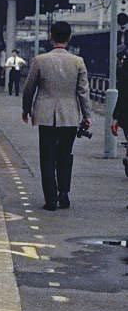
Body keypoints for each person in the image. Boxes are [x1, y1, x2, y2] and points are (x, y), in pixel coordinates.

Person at [21, 21, 91, 211]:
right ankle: (64, 193)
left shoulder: (40, 60)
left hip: (45, 116)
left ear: (51, 37)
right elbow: (83, 91)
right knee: (65, 156)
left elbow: (29, 88)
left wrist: (26, 109)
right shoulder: (78, 62)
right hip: (69, 116)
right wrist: (87, 115)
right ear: (69, 38)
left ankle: (50, 199)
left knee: (47, 157)